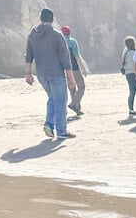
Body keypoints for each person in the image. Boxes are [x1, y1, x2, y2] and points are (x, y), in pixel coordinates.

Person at [25, 7, 77, 139]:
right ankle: (61, 131)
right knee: (60, 101)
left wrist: (28, 74)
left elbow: (28, 55)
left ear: (41, 18)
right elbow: (65, 60)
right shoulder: (57, 35)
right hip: (56, 73)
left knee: (52, 98)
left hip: (41, 73)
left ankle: (49, 124)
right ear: (52, 19)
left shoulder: (33, 35)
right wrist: (71, 79)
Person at [61, 25, 89, 116]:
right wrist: (83, 68)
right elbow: (77, 56)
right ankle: (74, 104)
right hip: (74, 68)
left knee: (72, 88)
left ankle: (77, 109)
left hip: (64, 69)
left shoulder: (59, 42)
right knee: (81, 87)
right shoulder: (73, 41)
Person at [120, 35, 136, 116]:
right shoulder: (132, 52)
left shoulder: (125, 51)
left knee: (132, 91)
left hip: (128, 73)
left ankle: (131, 109)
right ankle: (132, 110)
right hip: (133, 73)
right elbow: (135, 63)